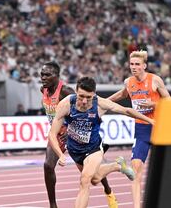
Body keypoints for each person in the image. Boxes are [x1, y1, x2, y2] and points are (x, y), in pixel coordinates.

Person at [48, 76, 155, 208]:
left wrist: (151, 121)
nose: (84, 101)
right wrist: (60, 154)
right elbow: (52, 134)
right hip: (74, 150)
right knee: (95, 179)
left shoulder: (99, 104)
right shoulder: (65, 104)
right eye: (81, 96)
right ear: (76, 92)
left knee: (84, 180)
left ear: (94, 94)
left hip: (93, 148)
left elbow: (126, 110)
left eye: (89, 97)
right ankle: (117, 166)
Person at [40, 61, 117, 208]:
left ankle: (108, 191)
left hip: (74, 133)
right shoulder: (42, 90)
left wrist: (70, 131)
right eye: (42, 74)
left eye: (47, 75)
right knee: (47, 166)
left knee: (93, 173)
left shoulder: (66, 92)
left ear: (57, 76)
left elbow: (86, 105)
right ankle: (53, 205)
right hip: (57, 134)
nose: (43, 77)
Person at [108, 50, 170, 208]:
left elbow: (169, 102)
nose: (134, 67)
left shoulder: (155, 80)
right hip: (141, 130)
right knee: (135, 169)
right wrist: (102, 101)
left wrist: (153, 104)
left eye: (137, 64)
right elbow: (122, 95)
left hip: (160, 129)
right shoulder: (128, 82)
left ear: (144, 66)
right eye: (131, 64)